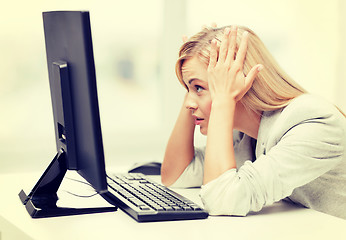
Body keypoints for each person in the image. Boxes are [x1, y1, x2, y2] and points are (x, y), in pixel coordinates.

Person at [161, 25, 346, 219]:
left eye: (199, 88)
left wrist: (223, 100)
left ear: (239, 81)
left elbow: (222, 200)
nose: (189, 103)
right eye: (187, 89)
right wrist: (192, 82)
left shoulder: (313, 122)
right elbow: (176, 174)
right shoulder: (243, 133)